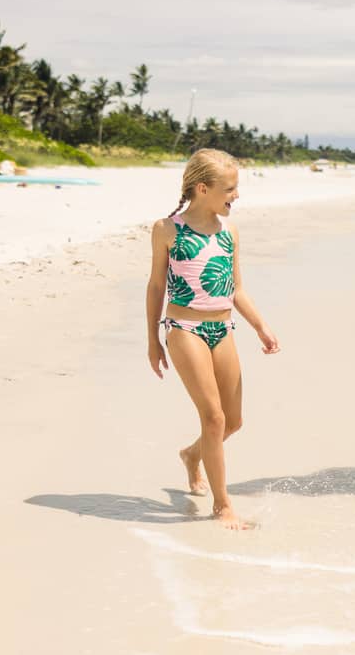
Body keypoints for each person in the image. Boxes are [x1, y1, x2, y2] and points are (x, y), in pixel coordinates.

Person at [145, 148, 280, 529]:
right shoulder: (167, 229)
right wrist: (153, 338)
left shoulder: (229, 231)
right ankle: (223, 506)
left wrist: (260, 326)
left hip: (223, 329)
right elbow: (156, 286)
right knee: (214, 417)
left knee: (233, 421)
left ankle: (192, 455)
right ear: (202, 189)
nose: (236, 196)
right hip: (184, 330)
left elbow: (236, 288)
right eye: (230, 188)